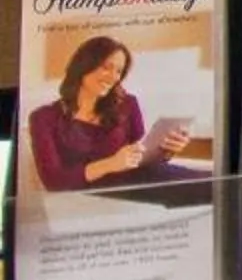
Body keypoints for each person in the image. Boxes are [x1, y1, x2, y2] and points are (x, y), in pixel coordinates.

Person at [24, 36, 204, 192]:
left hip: (142, 180)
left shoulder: (127, 104)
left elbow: (141, 157)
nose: (113, 77)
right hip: (103, 191)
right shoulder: (44, 118)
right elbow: (53, 181)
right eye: (106, 67)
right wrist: (110, 164)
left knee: (208, 182)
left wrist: (166, 151)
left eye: (119, 71)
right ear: (84, 65)